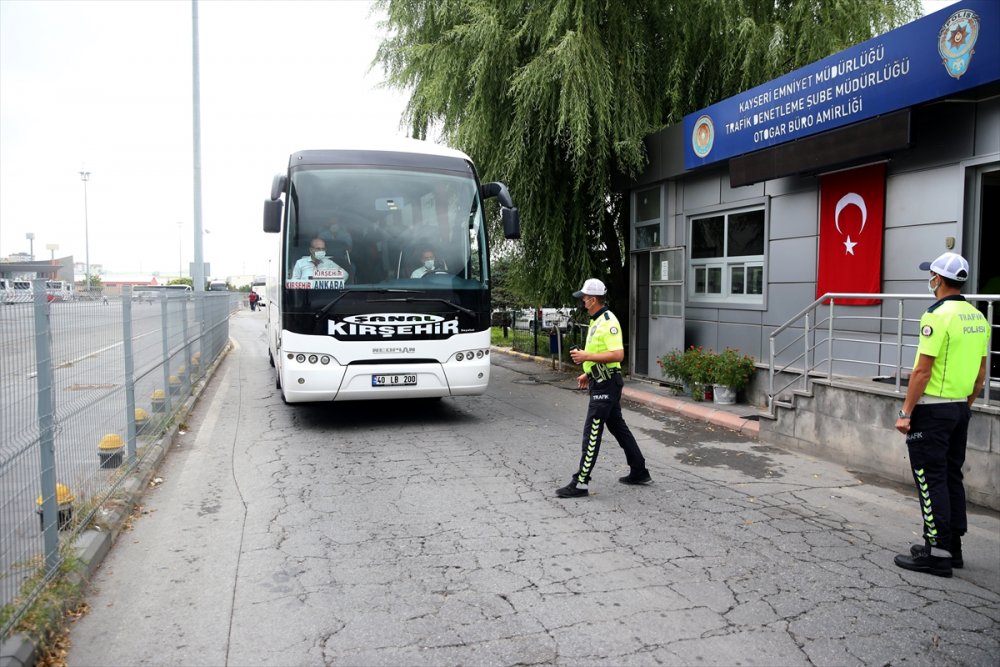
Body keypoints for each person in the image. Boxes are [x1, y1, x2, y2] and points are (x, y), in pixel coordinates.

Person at [893, 252, 989, 577]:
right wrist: (965, 406)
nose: (930, 279)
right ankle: (952, 547)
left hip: (933, 411)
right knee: (951, 476)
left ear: (938, 279)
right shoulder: (977, 316)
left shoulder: (936, 316)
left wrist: (906, 412)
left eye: (931, 274)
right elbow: (980, 375)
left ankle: (936, 554)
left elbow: (922, 371)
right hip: (960, 407)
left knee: (929, 478)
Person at [557, 278, 651, 498]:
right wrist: (587, 372)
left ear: (593, 299)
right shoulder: (596, 320)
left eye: (584, 298)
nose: (582, 302)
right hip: (602, 380)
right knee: (618, 427)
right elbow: (604, 357)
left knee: (592, 431)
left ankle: (580, 482)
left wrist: (586, 356)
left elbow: (618, 355)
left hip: (607, 384)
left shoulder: (608, 321)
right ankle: (639, 471)